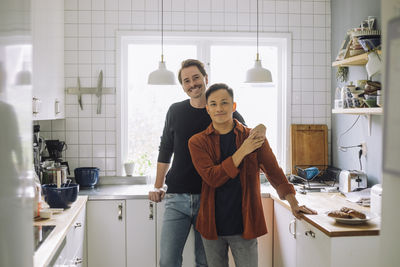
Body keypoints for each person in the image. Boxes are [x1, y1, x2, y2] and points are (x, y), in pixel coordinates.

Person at [188, 83, 317, 267]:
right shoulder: (197, 142)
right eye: (214, 104)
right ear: (207, 109)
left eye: (224, 103)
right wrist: (243, 150)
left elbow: (274, 172)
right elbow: (212, 178)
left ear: (233, 106)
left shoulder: (254, 137)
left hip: (244, 226)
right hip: (212, 226)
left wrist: (294, 203)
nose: (219, 108)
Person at [148, 59, 258, 267]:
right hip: (176, 198)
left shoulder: (223, 111)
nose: (192, 84)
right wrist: (157, 185)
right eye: (186, 81)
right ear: (182, 86)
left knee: (205, 262)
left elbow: (246, 147)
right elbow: (165, 150)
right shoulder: (175, 111)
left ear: (206, 78)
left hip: (211, 200)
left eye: (196, 78)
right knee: (168, 261)